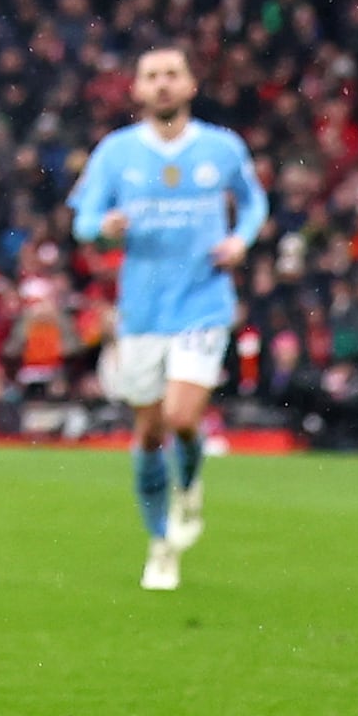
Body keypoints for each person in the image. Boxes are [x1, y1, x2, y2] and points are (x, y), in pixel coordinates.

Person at [70, 44, 266, 592]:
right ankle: (160, 544)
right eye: (151, 75)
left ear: (190, 85)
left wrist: (240, 240)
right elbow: (81, 219)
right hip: (142, 310)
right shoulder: (116, 153)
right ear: (136, 89)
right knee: (150, 430)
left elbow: (253, 203)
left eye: (171, 75)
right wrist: (100, 227)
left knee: (182, 416)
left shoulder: (222, 149)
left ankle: (193, 482)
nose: (161, 84)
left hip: (202, 301)